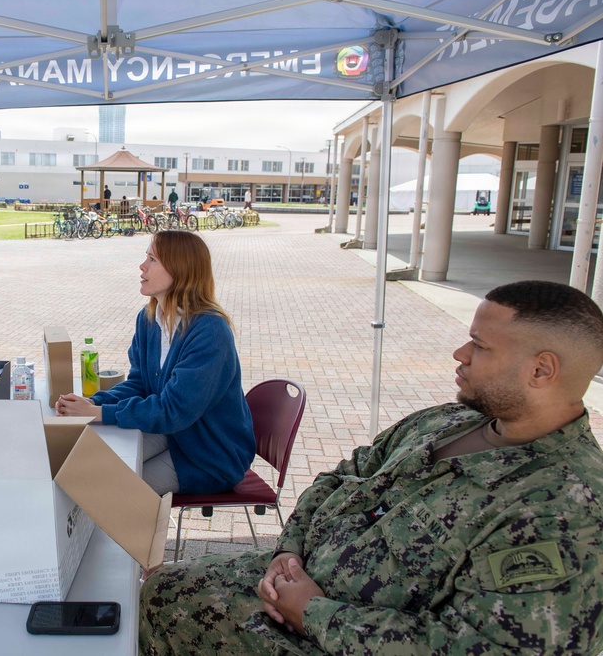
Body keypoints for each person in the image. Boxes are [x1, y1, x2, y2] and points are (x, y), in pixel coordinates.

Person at [140, 280, 603, 655]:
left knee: (153, 609)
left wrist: (316, 612)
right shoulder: (447, 422)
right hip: (296, 582)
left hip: (332, 633)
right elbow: (340, 475)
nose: (460, 354)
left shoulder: (561, 509)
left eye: (479, 346)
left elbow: (485, 646)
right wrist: (289, 548)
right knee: (155, 590)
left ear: (541, 371)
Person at [56, 230, 254, 495]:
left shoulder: (211, 332)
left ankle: (128, 533)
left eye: (153, 259)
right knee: (89, 465)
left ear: (180, 270)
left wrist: (98, 414)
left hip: (208, 454)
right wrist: (96, 402)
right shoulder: (150, 318)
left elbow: (173, 410)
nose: (142, 266)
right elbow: (139, 384)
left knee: (108, 488)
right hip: (171, 432)